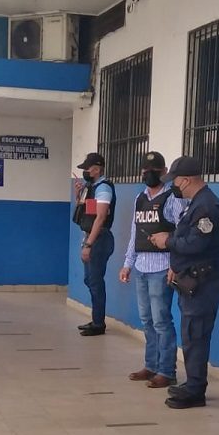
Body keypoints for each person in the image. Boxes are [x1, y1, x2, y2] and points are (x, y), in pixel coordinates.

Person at [149, 156, 219, 409]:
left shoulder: (206, 206)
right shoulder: (196, 203)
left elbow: (195, 243)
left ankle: (195, 391)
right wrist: (175, 265)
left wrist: (166, 241)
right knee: (192, 335)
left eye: (175, 181)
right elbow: (188, 239)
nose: (174, 186)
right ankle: (192, 383)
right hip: (191, 279)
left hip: (203, 283)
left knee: (196, 336)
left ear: (185, 180)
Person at [120, 152, 189, 388]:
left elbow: (182, 232)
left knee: (161, 321)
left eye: (153, 171)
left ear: (163, 172)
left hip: (162, 268)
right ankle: (150, 365)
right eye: (144, 170)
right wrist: (128, 263)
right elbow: (134, 233)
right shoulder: (140, 198)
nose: (147, 174)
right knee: (147, 320)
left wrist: (175, 265)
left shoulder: (173, 198)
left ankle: (167, 371)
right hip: (141, 267)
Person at [74, 153, 116, 337]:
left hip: (98, 239)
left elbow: (100, 217)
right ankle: (96, 318)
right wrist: (79, 193)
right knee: (89, 280)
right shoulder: (92, 187)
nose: (84, 171)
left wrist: (89, 244)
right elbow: (86, 212)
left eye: (87, 168)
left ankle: (99, 323)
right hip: (91, 237)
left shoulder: (104, 189)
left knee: (95, 281)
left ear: (97, 169)